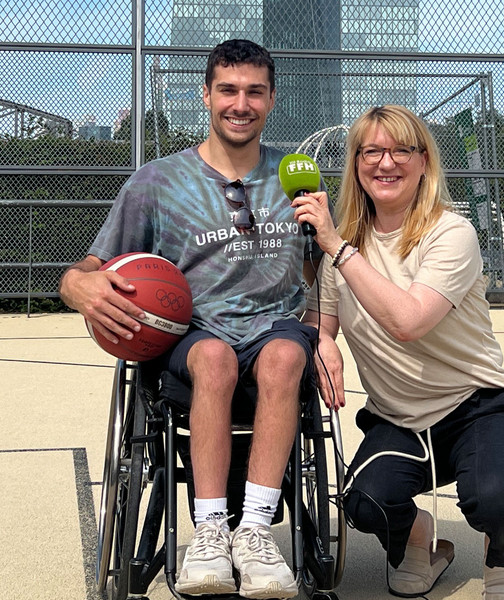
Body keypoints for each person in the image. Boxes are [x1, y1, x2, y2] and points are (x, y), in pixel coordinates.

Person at [60, 39, 328, 599]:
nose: (241, 102)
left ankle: (253, 530)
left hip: (274, 328)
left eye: (255, 91)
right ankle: (210, 530)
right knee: (214, 357)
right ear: (206, 95)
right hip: (195, 334)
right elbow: (93, 263)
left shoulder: (296, 177)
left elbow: (320, 266)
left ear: (272, 99)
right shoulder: (157, 181)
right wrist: (75, 283)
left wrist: (323, 335)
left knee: (284, 357)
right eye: (228, 89)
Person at [293, 105, 504, 600]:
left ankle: (499, 552)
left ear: (424, 161)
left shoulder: (450, 233)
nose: (387, 163)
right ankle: (420, 536)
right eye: (372, 151)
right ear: (356, 164)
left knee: (496, 500)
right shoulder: (348, 247)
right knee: (364, 503)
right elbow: (320, 323)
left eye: (401, 150)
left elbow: (408, 321)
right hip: (398, 419)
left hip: (476, 407)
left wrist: (337, 248)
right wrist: (320, 339)